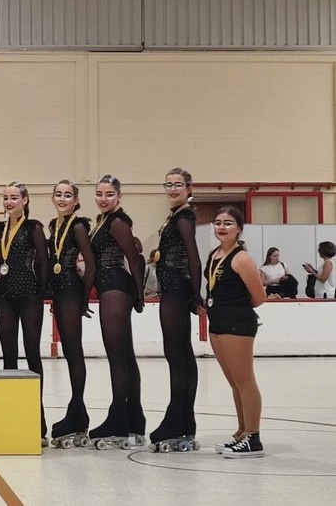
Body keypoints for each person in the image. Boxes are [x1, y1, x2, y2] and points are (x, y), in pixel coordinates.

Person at [88, 175, 146, 447]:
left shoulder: (118, 222)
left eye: (109, 194)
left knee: (117, 357)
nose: (103, 199)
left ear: (119, 197)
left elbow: (134, 259)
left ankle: (118, 419)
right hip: (111, 287)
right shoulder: (104, 221)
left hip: (115, 286)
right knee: (126, 355)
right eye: (99, 194)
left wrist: (139, 294)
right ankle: (134, 418)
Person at [206, 206, 267, 458]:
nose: (222, 227)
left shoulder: (242, 258)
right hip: (217, 323)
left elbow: (260, 297)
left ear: (239, 228)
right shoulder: (214, 254)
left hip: (237, 324)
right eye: (218, 222)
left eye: (228, 223)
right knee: (234, 382)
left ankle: (253, 437)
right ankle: (242, 432)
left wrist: (235, 309)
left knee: (245, 381)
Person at [149, 169, 202, 451]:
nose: (172, 189)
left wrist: (195, 294)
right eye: (168, 184)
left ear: (188, 188)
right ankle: (184, 420)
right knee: (182, 355)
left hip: (177, 290)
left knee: (177, 356)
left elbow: (194, 258)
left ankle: (177, 419)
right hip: (173, 289)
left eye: (178, 185)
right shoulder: (177, 216)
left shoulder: (183, 218)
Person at [0, 181, 49, 443]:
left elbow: (44, 262)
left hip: (29, 295)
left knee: (32, 353)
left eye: (14, 197)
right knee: (8, 356)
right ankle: (10, 415)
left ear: (25, 200)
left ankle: (38, 421)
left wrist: (43, 294)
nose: (9, 202)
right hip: (6, 296)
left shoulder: (33, 228)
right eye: (6, 198)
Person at [47, 180, 95, 447]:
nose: (62, 199)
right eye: (58, 194)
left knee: (74, 351)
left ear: (76, 200)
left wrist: (84, 298)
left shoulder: (78, 226)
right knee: (68, 351)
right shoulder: (55, 225)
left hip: (71, 292)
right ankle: (78, 412)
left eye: (68, 195)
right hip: (59, 292)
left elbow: (90, 263)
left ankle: (77, 410)